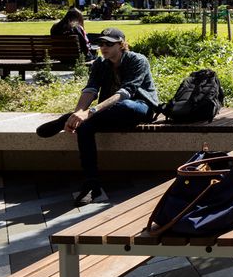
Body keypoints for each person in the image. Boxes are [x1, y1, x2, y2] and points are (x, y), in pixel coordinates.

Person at [35, 28, 160, 206]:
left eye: (109, 44)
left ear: (121, 44)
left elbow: (126, 92)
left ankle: (65, 120)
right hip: (107, 113)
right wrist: (79, 113)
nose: (103, 47)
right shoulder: (100, 63)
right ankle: (91, 183)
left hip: (139, 107)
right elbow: (90, 90)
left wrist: (91, 112)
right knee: (84, 127)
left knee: (123, 106)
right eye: (101, 44)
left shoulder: (137, 60)